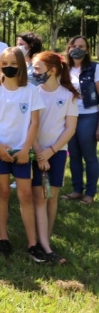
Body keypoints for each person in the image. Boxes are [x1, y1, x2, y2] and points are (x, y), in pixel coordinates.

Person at [0, 47, 45, 260]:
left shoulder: (31, 91)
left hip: (22, 152)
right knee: (2, 193)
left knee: (25, 196)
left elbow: (34, 122)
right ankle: (3, 238)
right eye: (5, 64)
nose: (9, 67)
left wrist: (26, 149)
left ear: (21, 65)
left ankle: (32, 243)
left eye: (13, 64)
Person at [31, 51, 78, 263]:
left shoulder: (68, 96)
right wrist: (39, 152)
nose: (33, 72)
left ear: (52, 70)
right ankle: (42, 243)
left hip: (56, 152)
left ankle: (45, 240)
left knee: (52, 197)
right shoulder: (31, 93)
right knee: (39, 196)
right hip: (34, 150)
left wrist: (50, 151)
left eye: (37, 69)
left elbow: (70, 128)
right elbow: (28, 125)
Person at [61, 35, 99, 205]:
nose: (77, 49)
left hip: (89, 114)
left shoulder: (94, 68)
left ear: (87, 50)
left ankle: (90, 193)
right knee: (74, 154)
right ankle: (77, 190)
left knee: (89, 155)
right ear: (69, 48)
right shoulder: (64, 69)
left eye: (81, 46)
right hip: (70, 116)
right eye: (74, 45)